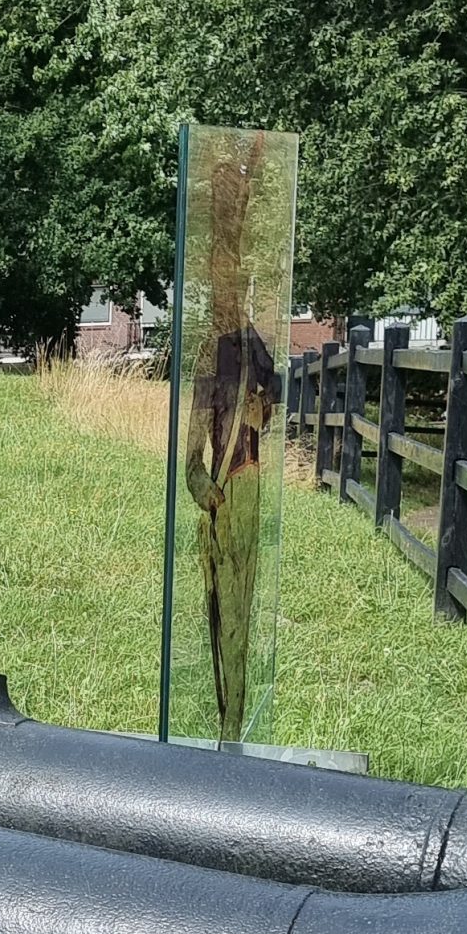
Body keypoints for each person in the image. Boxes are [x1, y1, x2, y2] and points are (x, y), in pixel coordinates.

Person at [183, 136, 281, 743]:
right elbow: (192, 452)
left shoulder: (256, 351)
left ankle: (235, 724)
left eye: (232, 284)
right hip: (219, 495)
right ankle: (222, 720)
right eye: (219, 284)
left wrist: (257, 410)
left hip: (245, 487)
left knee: (242, 612)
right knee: (216, 609)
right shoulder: (206, 354)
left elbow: (270, 408)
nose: (225, 293)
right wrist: (198, 482)